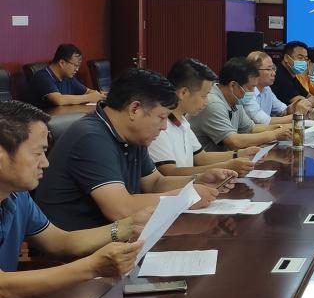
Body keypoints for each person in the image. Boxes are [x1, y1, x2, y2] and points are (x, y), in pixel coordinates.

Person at [0, 101, 151, 298]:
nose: (45, 162)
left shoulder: (18, 196)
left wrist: (128, 226)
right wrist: (91, 267)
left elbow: (59, 242)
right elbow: (2, 288)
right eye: (38, 153)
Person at [34, 68, 221, 231]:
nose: (164, 127)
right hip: (79, 249)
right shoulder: (91, 137)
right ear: (134, 109)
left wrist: (198, 179)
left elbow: (155, 183)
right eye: (161, 117)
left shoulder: (133, 135)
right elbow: (120, 209)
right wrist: (185, 197)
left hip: (119, 238)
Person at [149, 59, 259, 177]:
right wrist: (227, 166)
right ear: (183, 93)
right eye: (204, 96)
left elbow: (201, 157)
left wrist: (241, 153)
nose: (206, 102)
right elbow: (170, 172)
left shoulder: (183, 121)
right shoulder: (160, 126)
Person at [189, 58, 289, 153]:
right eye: (250, 88)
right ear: (233, 85)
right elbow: (234, 142)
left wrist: (284, 128)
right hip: (207, 163)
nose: (252, 92)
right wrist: (274, 134)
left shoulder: (235, 100)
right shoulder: (213, 103)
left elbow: (251, 128)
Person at [29, 43, 104, 109]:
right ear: (62, 63)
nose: (77, 69)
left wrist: (99, 95)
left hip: (63, 117)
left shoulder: (68, 77)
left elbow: (87, 91)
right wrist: (89, 97)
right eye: (75, 65)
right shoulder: (42, 77)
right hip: (43, 119)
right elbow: (59, 100)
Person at [246, 51, 309, 125]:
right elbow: (264, 122)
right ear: (254, 72)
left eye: (273, 68)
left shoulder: (266, 88)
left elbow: (283, 111)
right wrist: (298, 115)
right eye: (269, 69)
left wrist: (294, 107)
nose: (274, 73)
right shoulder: (247, 93)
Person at [272, 41, 314, 108]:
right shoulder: (279, 75)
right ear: (286, 58)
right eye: (300, 58)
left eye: (305, 59)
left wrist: (308, 101)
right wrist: (308, 101)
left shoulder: (292, 75)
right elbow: (304, 104)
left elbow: (310, 97)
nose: (304, 62)